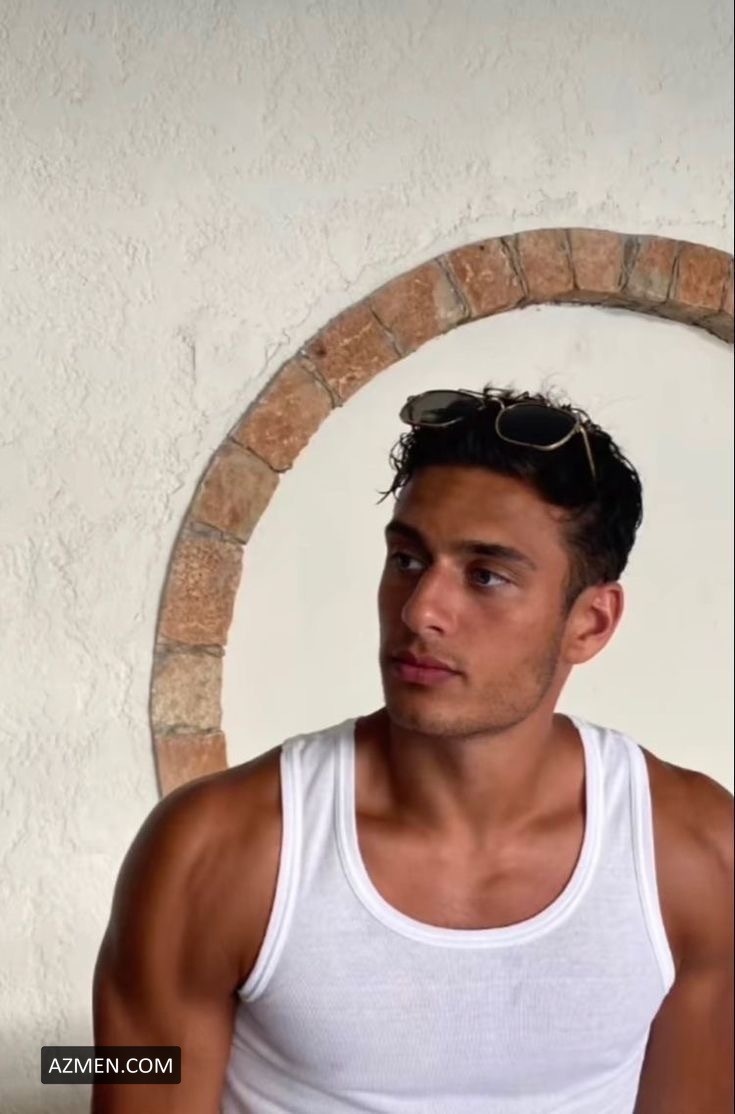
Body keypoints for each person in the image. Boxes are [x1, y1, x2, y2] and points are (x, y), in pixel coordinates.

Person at [92, 385, 734, 1114]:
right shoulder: (212, 848)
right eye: (406, 559)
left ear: (590, 623)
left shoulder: (695, 852)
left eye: (486, 576)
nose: (420, 608)